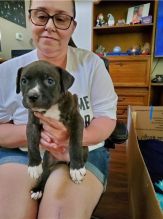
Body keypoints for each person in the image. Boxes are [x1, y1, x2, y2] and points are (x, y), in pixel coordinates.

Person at [0, 0, 117, 218]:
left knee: (59, 210)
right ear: (30, 19)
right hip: (21, 152)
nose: (50, 26)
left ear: (72, 26)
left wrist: (73, 138)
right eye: (42, 16)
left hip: (83, 151)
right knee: (10, 211)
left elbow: (107, 119)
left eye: (61, 18)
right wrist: (34, 135)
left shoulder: (92, 65)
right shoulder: (6, 71)